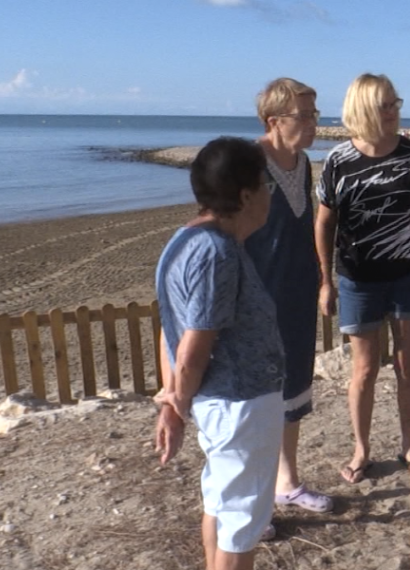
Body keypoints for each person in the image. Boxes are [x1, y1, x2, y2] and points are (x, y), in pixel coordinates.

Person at [153, 137, 286, 570]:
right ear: (246, 195)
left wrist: (174, 402)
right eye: (266, 183)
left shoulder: (185, 240)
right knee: (241, 521)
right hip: (239, 403)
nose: (270, 192)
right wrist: (176, 402)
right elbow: (191, 344)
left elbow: (166, 330)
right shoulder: (217, 252)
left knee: (221, 505)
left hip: (224, 404)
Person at [315, 73, 410, 484]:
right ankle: (361, 449)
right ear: (362, 109)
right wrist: (325, 280)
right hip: (358, 279)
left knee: (409, 366)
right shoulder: (338, 160)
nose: (393, 111)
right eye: (384, 105)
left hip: (409, 274)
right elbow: (324, 223)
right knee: (365, 370)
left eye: (395, 103)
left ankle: (409, 445)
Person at [244, 78, 332, 513]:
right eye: (304, 115)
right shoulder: (248, 164)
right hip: (257, 301)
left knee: (294, 391)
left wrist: (321, 279)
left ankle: (288, 482)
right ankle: (254, 499)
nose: (315, 123)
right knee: (257, 402)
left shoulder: (303, 163)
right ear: (273, 121)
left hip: (297, 296)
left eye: (315, 114)